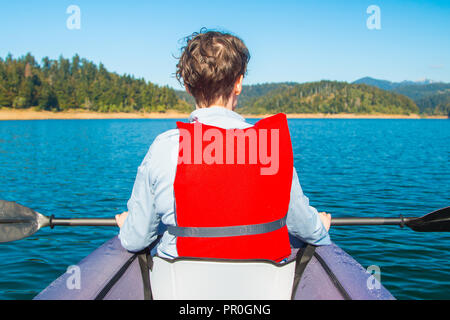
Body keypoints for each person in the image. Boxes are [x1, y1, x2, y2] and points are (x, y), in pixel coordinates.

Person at [116, 30, 331, 261]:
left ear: (187, 87)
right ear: (238, 83)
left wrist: (128, 225)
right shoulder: (269, 146)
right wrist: (320, 226)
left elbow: (136, 239)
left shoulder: (164, 147)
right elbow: (304, 227)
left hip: (183, 285)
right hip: (262, 287)